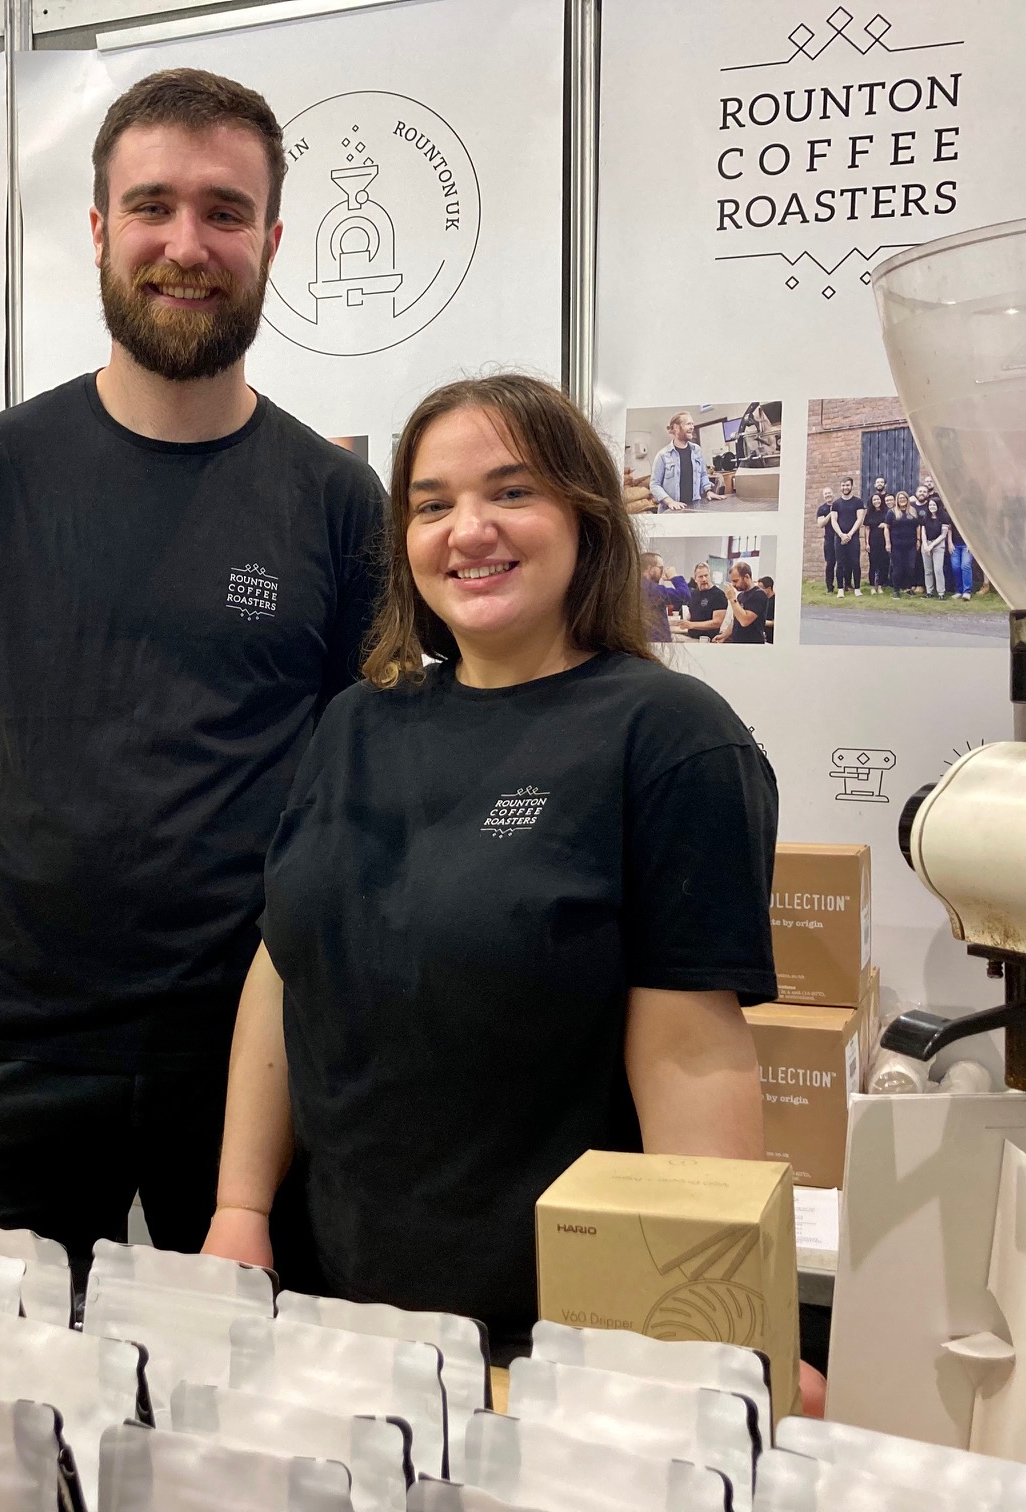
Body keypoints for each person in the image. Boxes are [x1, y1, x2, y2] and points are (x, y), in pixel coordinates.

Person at [0, 69, 385, 1270]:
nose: (187, 245)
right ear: (101, 229)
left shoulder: (335, 501)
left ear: (272, 243)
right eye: (152, 206)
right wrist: (69, 858)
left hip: (255, 1043)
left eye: (225, 212)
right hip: (20, 1032)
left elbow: (355, 763)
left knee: (266, 1373)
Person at [200, 373, 777, 1365]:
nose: (469, 530)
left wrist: (710, 1325)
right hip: (322, 1310)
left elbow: (691, 1053)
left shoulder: (669, 738)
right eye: (432, 506)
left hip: (551, 1335)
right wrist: (239, 1209)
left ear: (585, 516)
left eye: (512, 492)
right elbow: (282, 965)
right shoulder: (355, 724)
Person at [648, 412, 715, 511]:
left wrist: (708, 491)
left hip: (694, 508)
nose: (692, 427)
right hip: (671, 511)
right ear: (676, 427)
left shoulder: (697, 450)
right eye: (688, 424)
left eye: (692, 424)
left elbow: (703, 475)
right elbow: (654, 485)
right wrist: (670, 502)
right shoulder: (663, 455)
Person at [722, 560, 772, 644]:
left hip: (752, 644)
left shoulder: (759, 595)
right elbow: (736, 620)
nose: (733, 584)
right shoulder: (740, 596)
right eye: (732, 581)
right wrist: (724, 636)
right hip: (737, 643)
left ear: (746, 577)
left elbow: (745, 621)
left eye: (736, 581)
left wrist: (732, 599)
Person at [831, 476, 865, 595]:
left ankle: (857, 589)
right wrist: (841, 535)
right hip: (839, 538)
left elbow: (859, 519)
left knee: (855, 563)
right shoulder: (836, 503)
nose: (845, 487)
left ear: (851, 486)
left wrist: (849, 534)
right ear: (840, 487)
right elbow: (834, 521)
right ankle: (840, 589)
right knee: (840, 563)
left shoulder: (858, 502)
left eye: (847, 485)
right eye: (843, 485)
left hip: (853, 537)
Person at [682, 560, 728, 640]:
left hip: (709, 640)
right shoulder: (693, 594)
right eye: (700, 577)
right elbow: (692, 614)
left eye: (706, 575)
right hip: (692, 637)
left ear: (710, 576)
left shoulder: (718, 595)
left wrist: (692, 625)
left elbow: (717, 622)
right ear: (695, 579)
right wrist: (683, 622)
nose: (704, 579)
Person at [889, 491, 923, 595]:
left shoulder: (913, 511)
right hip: (896, 545)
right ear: (897, 500)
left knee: (910, 567)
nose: (902, 500)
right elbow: (886, 527)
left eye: (904, 498)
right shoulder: (892, 512)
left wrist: (918, 540)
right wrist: (887, 543)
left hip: (911, 544)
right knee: (897, 568)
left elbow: (918, 526)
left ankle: (909, 588)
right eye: (900, 498)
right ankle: (896, 590)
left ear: (907, 499)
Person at [638, 552, 675, 643]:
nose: (662, 572)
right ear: (650, 569)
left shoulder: (635, 586)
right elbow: (684, 594)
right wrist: (674, 577)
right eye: (661, 568)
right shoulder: (653, 589)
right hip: (656, 641)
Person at [920, 496, 950, 598]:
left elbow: (943, 535)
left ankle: (941, 592)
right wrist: (925, 545)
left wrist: (932, 546)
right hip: (926, 544)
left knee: (938, 569)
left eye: (934, 505)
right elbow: (923, 532)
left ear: (938, 506)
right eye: (930, 505)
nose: (932, 507)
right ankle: (929, 592)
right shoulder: (925, 517)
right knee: (928, 570)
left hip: (938, 545)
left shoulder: (944, 517)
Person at [864, 490, 890, 595]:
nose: (876, 501)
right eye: (874, 500)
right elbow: (867, 529)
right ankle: (872, 587)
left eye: (878, 499)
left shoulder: (887, 512)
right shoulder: (869, 513)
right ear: (871, 502)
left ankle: (880, 586)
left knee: (883, 565)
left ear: (881, 500)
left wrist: (885, 525)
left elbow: (891, 524)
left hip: (884, 541)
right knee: (873, 565)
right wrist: (867, 543)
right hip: (873, 541)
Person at [815, 487, 837, 592]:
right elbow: (820, 524)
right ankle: (829, 587)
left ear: (833, 494)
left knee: (843, 563)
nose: (828, 495)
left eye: (829, 493)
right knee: (830, 564)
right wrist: (830, 514)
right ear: (824, 496)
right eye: (826, 494)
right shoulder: (822, 509)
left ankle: (845, 586)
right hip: (829, 539)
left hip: (840, 538)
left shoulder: (839, 505)